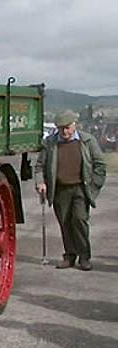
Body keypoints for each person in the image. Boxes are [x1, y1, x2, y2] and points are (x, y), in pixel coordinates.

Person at [35, 110, 106, 270]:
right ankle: (69, 256)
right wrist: (41, 182)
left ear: (75, 125)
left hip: (81, 188)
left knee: (79, 221)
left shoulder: (87, 141)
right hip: (60, 190)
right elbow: (39, 166)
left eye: (67, 128)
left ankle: (84, 257)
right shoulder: (50, 143)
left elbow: (100, 165)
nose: (64, 132)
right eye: (60, 128)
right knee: (65, 223)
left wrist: (94, 186)